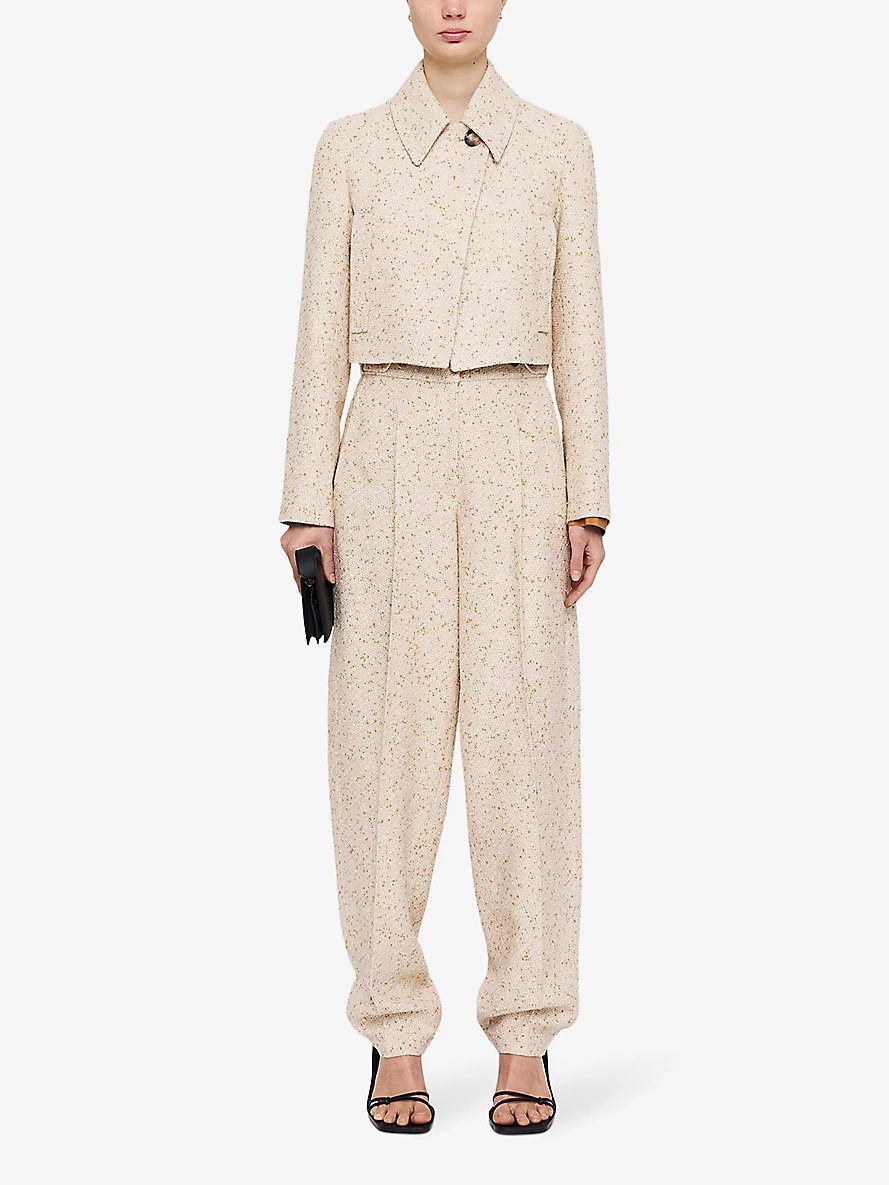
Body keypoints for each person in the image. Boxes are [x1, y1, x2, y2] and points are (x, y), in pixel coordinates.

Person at [278, 0, 609, 1135]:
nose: (453, 5)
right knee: (383, 746)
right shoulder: (350, 148)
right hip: (387, 451)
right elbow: (319, 330)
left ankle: (527, 1032)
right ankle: (393, 1031)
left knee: (526, 748)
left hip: (520, 450)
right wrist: (305, 503)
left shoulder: (558, 147)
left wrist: (588, 497)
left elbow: (581, 330)